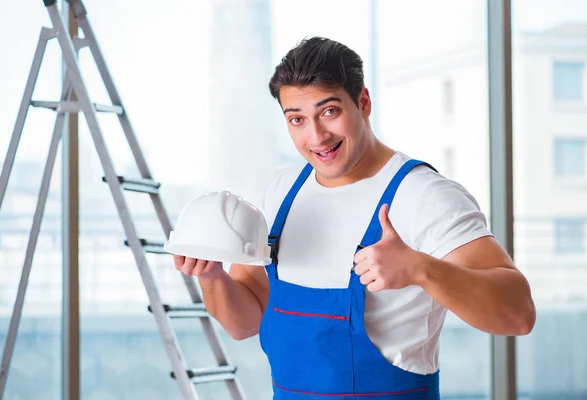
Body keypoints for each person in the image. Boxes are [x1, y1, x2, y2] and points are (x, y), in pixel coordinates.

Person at [173, 36, 536, 399]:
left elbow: (518, 315)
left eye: (330, 112)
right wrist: (212, 277)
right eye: (297, 119)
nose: (316, 136)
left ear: (363, 102)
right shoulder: (281, 189)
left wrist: (421, 269)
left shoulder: (424, 196)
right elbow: (244, 322)